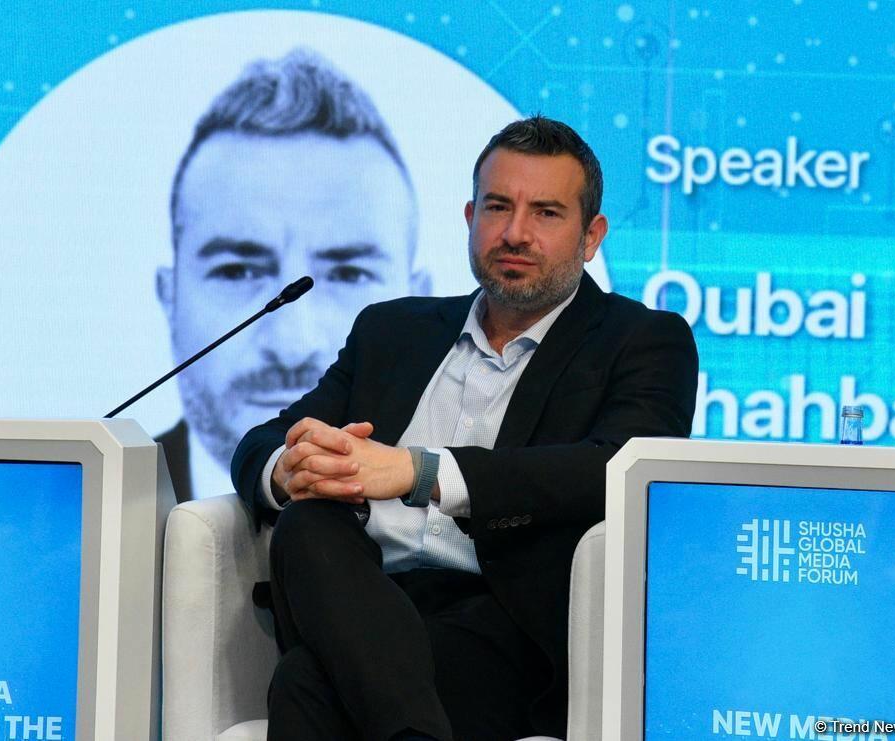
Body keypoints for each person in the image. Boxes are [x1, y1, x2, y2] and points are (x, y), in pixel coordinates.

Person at [232, 116, 698, 740]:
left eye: (546, 213)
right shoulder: (392, 331)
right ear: (470, 217)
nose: (515, 233)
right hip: (361, 593)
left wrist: (418, 471)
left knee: (303, 683)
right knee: (308, 523)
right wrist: (288, 470)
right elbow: (267, 440)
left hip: (503, 620)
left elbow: (612, 469)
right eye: (498, 207)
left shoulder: (642, 341)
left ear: (591, 237)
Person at [155, 48, 427, 503]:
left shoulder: (452, 499)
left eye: (349, 273)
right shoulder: (98, 496)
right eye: (237, 271)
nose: (291, 346)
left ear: (417, 304)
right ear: (170, 298)